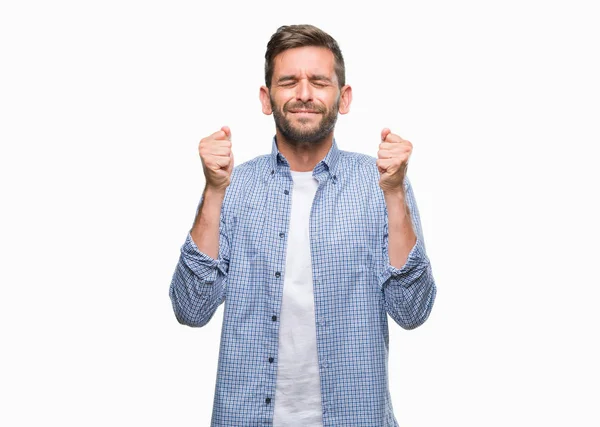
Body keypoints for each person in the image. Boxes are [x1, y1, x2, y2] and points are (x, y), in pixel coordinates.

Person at [169, 24, 437, 427]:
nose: (305, 94)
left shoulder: (380, 182)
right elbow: (191, 308)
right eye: (289, 81)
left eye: (319, 82)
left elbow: (412, 310)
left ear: (343, 98)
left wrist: (395, 193)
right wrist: (212, 190)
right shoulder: (233, 184)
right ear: (266, 98)